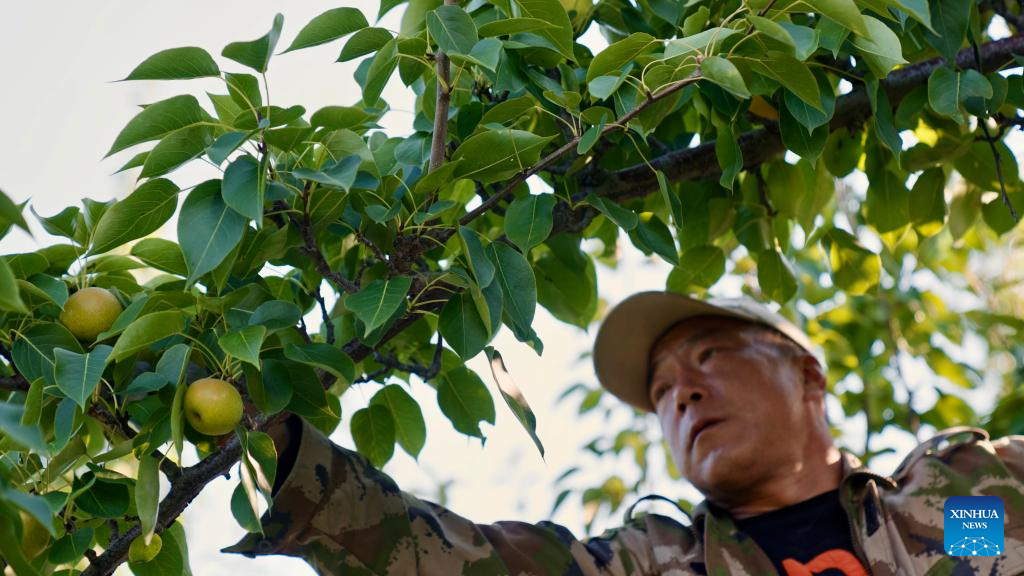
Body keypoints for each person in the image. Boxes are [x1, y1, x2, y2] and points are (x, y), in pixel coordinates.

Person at [224, 291, 1024, 575]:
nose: (685, 395)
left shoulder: (965, 502)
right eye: (663, 391)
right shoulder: (652, 567)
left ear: (807, 375)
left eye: (709, 356)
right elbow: (449, 564)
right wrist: (263, 439)